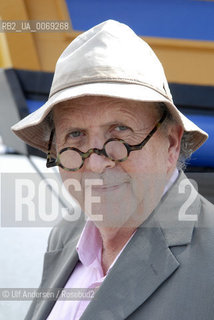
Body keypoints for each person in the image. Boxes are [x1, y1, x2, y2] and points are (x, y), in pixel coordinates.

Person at [12, 20, 214, 320]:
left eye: (120, 130)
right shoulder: (67, 235)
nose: (95, 164)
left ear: (171, 145)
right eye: (75, 135)